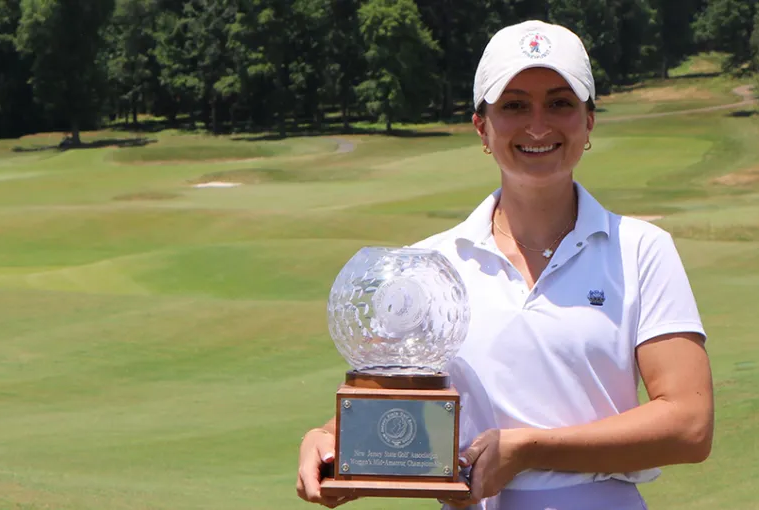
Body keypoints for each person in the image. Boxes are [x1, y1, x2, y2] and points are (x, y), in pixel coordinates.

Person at [295, 20, 713, 510]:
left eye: (560, 102)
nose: (538, 125)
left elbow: (689, 424)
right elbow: (394, 405)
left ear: (589, 121)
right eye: (514, 105)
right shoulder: (429, 266)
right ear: (482, 127)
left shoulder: (642, 249)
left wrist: (528, 449)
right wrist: (327, 440)